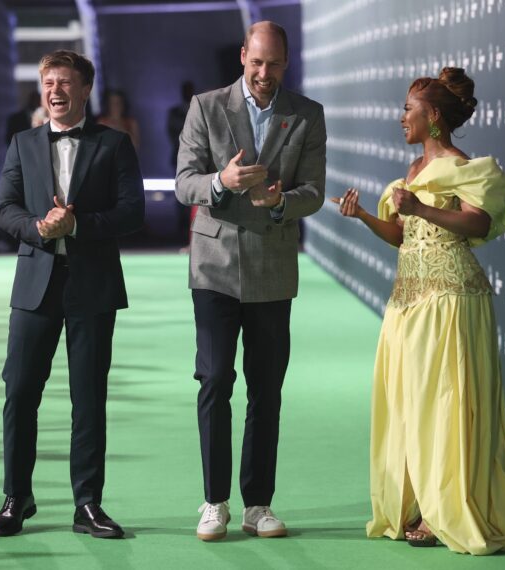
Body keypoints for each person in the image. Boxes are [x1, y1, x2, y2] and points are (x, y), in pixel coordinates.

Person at [331, 67, 505, 555]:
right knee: (411, 404)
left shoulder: (461, 166)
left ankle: (443, 510)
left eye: (408, 110)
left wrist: (423, 209)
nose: (400, 118)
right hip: (408, 301)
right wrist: (368, 215)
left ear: (433, 116)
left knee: (445, 406)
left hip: (450, 300)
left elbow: (477, 219)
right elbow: (401, 235)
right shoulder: (409, 175)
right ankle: (423, 500)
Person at [175, 21, 326, 541]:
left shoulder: (307, 114)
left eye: (275, 64)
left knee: (267, 389)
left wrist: (280, 201)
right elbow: (183, 182)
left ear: (286, 63)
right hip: (213, 268)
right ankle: (214, 501)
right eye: (257, 62)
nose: (265, 74)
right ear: (243, 56)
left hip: (272, 270)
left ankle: (257, 504)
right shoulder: (206, 106)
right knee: (215, 380)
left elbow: (313, 192)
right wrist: (222, 181)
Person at [0, 49, 144, 539]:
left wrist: (78, 224)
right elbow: (4, 209)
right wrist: (39, 228)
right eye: (48, 83)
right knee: (19, 392)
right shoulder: (22, 143)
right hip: (35, 284)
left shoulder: (114, 145)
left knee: (89, 399)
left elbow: (132, 213)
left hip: (92, 286)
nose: (55, 91)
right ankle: (17, 496)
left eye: (64, 82)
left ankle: (88, 504)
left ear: (85, 89)